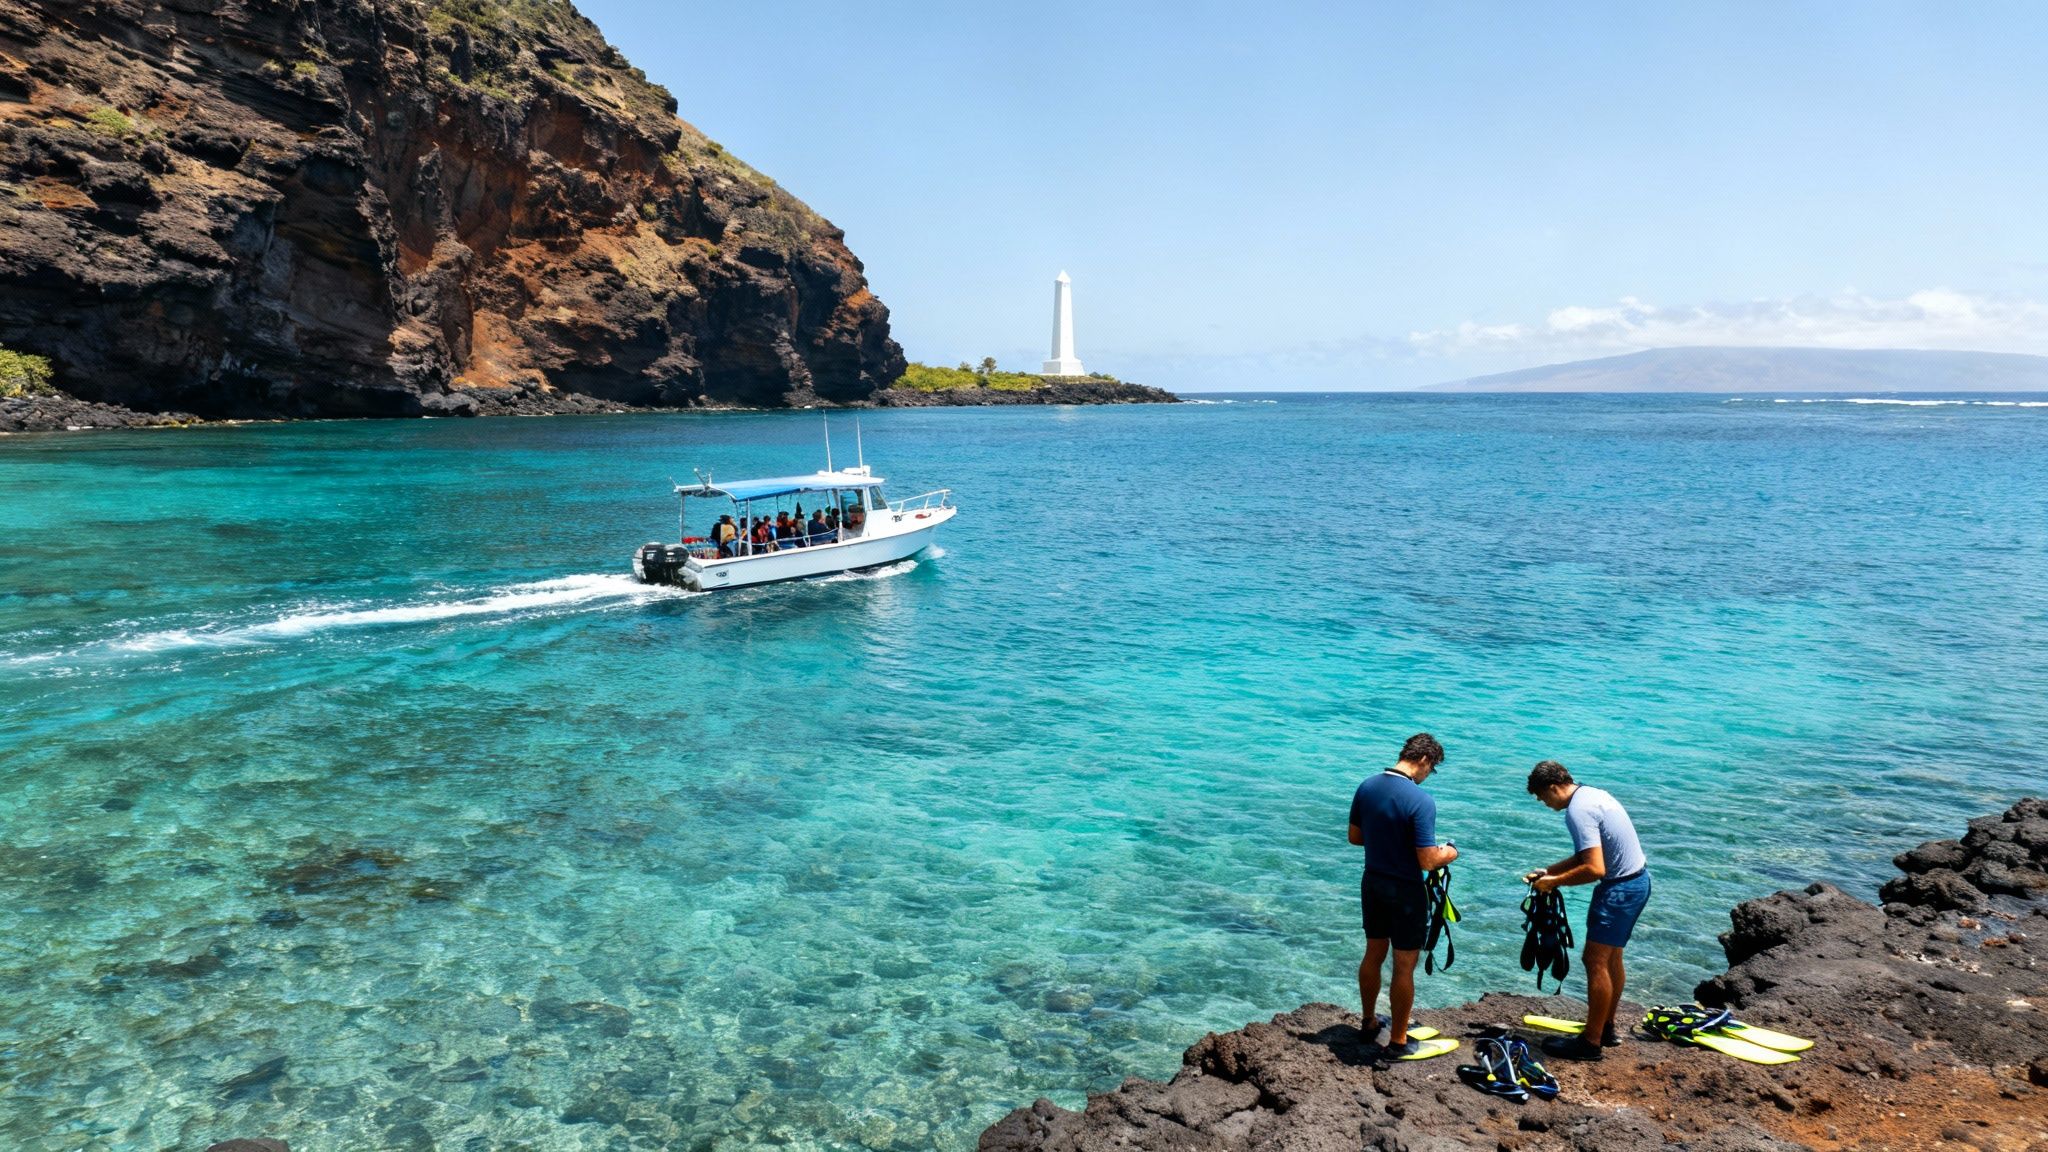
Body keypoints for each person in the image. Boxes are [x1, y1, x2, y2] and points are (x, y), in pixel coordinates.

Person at [1522, 760, 1650, 1061]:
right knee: (1611, 957)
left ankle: (1590, 1044)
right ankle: (1605, 1028)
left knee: (1594, 961)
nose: (1544, 804)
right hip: (1638, 882)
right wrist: (1549, 871)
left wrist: (1554, 883)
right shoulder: (1592, 794)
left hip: (1618, 891)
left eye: (1542, 798)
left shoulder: (1577, 812)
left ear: (1553, 787)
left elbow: (1594, 868)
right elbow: (1587, 853)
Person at [1348, 733, 1457, 1057]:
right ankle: (1398, 1041)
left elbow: (1355, 838)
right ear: (1424, 760)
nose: (1427, 776)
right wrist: (1450, 852)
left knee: (1373, 953)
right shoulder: (1420, 800)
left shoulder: (1366, 786)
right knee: (1404, 965)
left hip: (1373, 883)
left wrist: (1389, 843)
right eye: (1431, 769)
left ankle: (1368, 1022)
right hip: (1405, 891)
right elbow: (1427, 860)